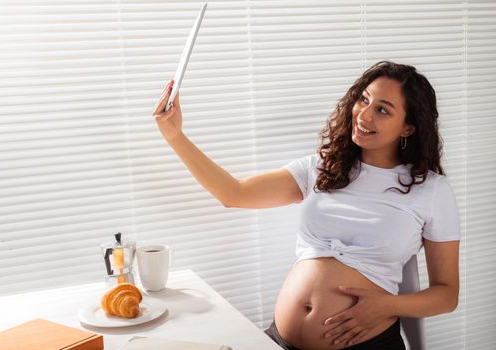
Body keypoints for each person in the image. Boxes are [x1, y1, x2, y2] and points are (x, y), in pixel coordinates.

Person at [152, 61, 460, 350]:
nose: (364, 115)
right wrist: (175, 135)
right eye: (363, 100)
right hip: (279, 340)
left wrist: (387, 304)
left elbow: (446, 294)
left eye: (382, 110)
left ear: (408, 127)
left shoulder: (430, 190)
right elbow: (233, 193)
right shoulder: (322, 168)